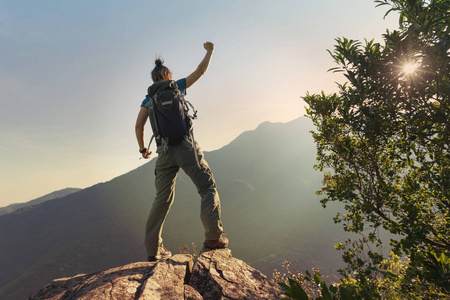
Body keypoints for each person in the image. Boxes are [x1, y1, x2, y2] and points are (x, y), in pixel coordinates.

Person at [135, 42, 228, 262]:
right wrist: (209, 52)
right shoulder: (176, 86)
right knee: (206, 187)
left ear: (153, 79)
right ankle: (214, 237)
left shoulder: (149, 99)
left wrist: (143, 149)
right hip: (186, 148)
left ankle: (153, 250)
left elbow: (138, 126)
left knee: (162, 198)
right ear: (167, 75)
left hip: (164, 152)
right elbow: (200, 71)